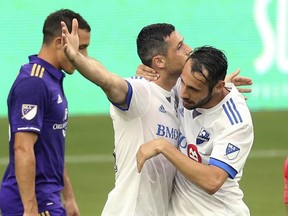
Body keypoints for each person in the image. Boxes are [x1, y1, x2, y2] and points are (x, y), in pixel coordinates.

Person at [61, 19, 252, 215]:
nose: (188, 50)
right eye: (179, 47)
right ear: (159, 61)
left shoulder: (180, 94)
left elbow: (212, 180)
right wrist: (77, 58)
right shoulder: (142, 91)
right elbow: (108, 81)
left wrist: (218, 91)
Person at [136, 46, 254, 215]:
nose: (183, 93)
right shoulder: (189, 86)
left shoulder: (235, 122)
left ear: (218, 87)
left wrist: (163, 146)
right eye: (183, 82)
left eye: (194, 89)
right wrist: (145, 72)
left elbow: (212, 181)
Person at [0, 9, 91, 216]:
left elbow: (52, 145)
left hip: (48, 198)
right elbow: (22, 148)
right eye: (81, 47)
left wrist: (68, 197)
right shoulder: (34, 83)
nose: (84, 56)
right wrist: (30, 208)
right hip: (34, 202)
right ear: (60, 42)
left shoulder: (50, 80)